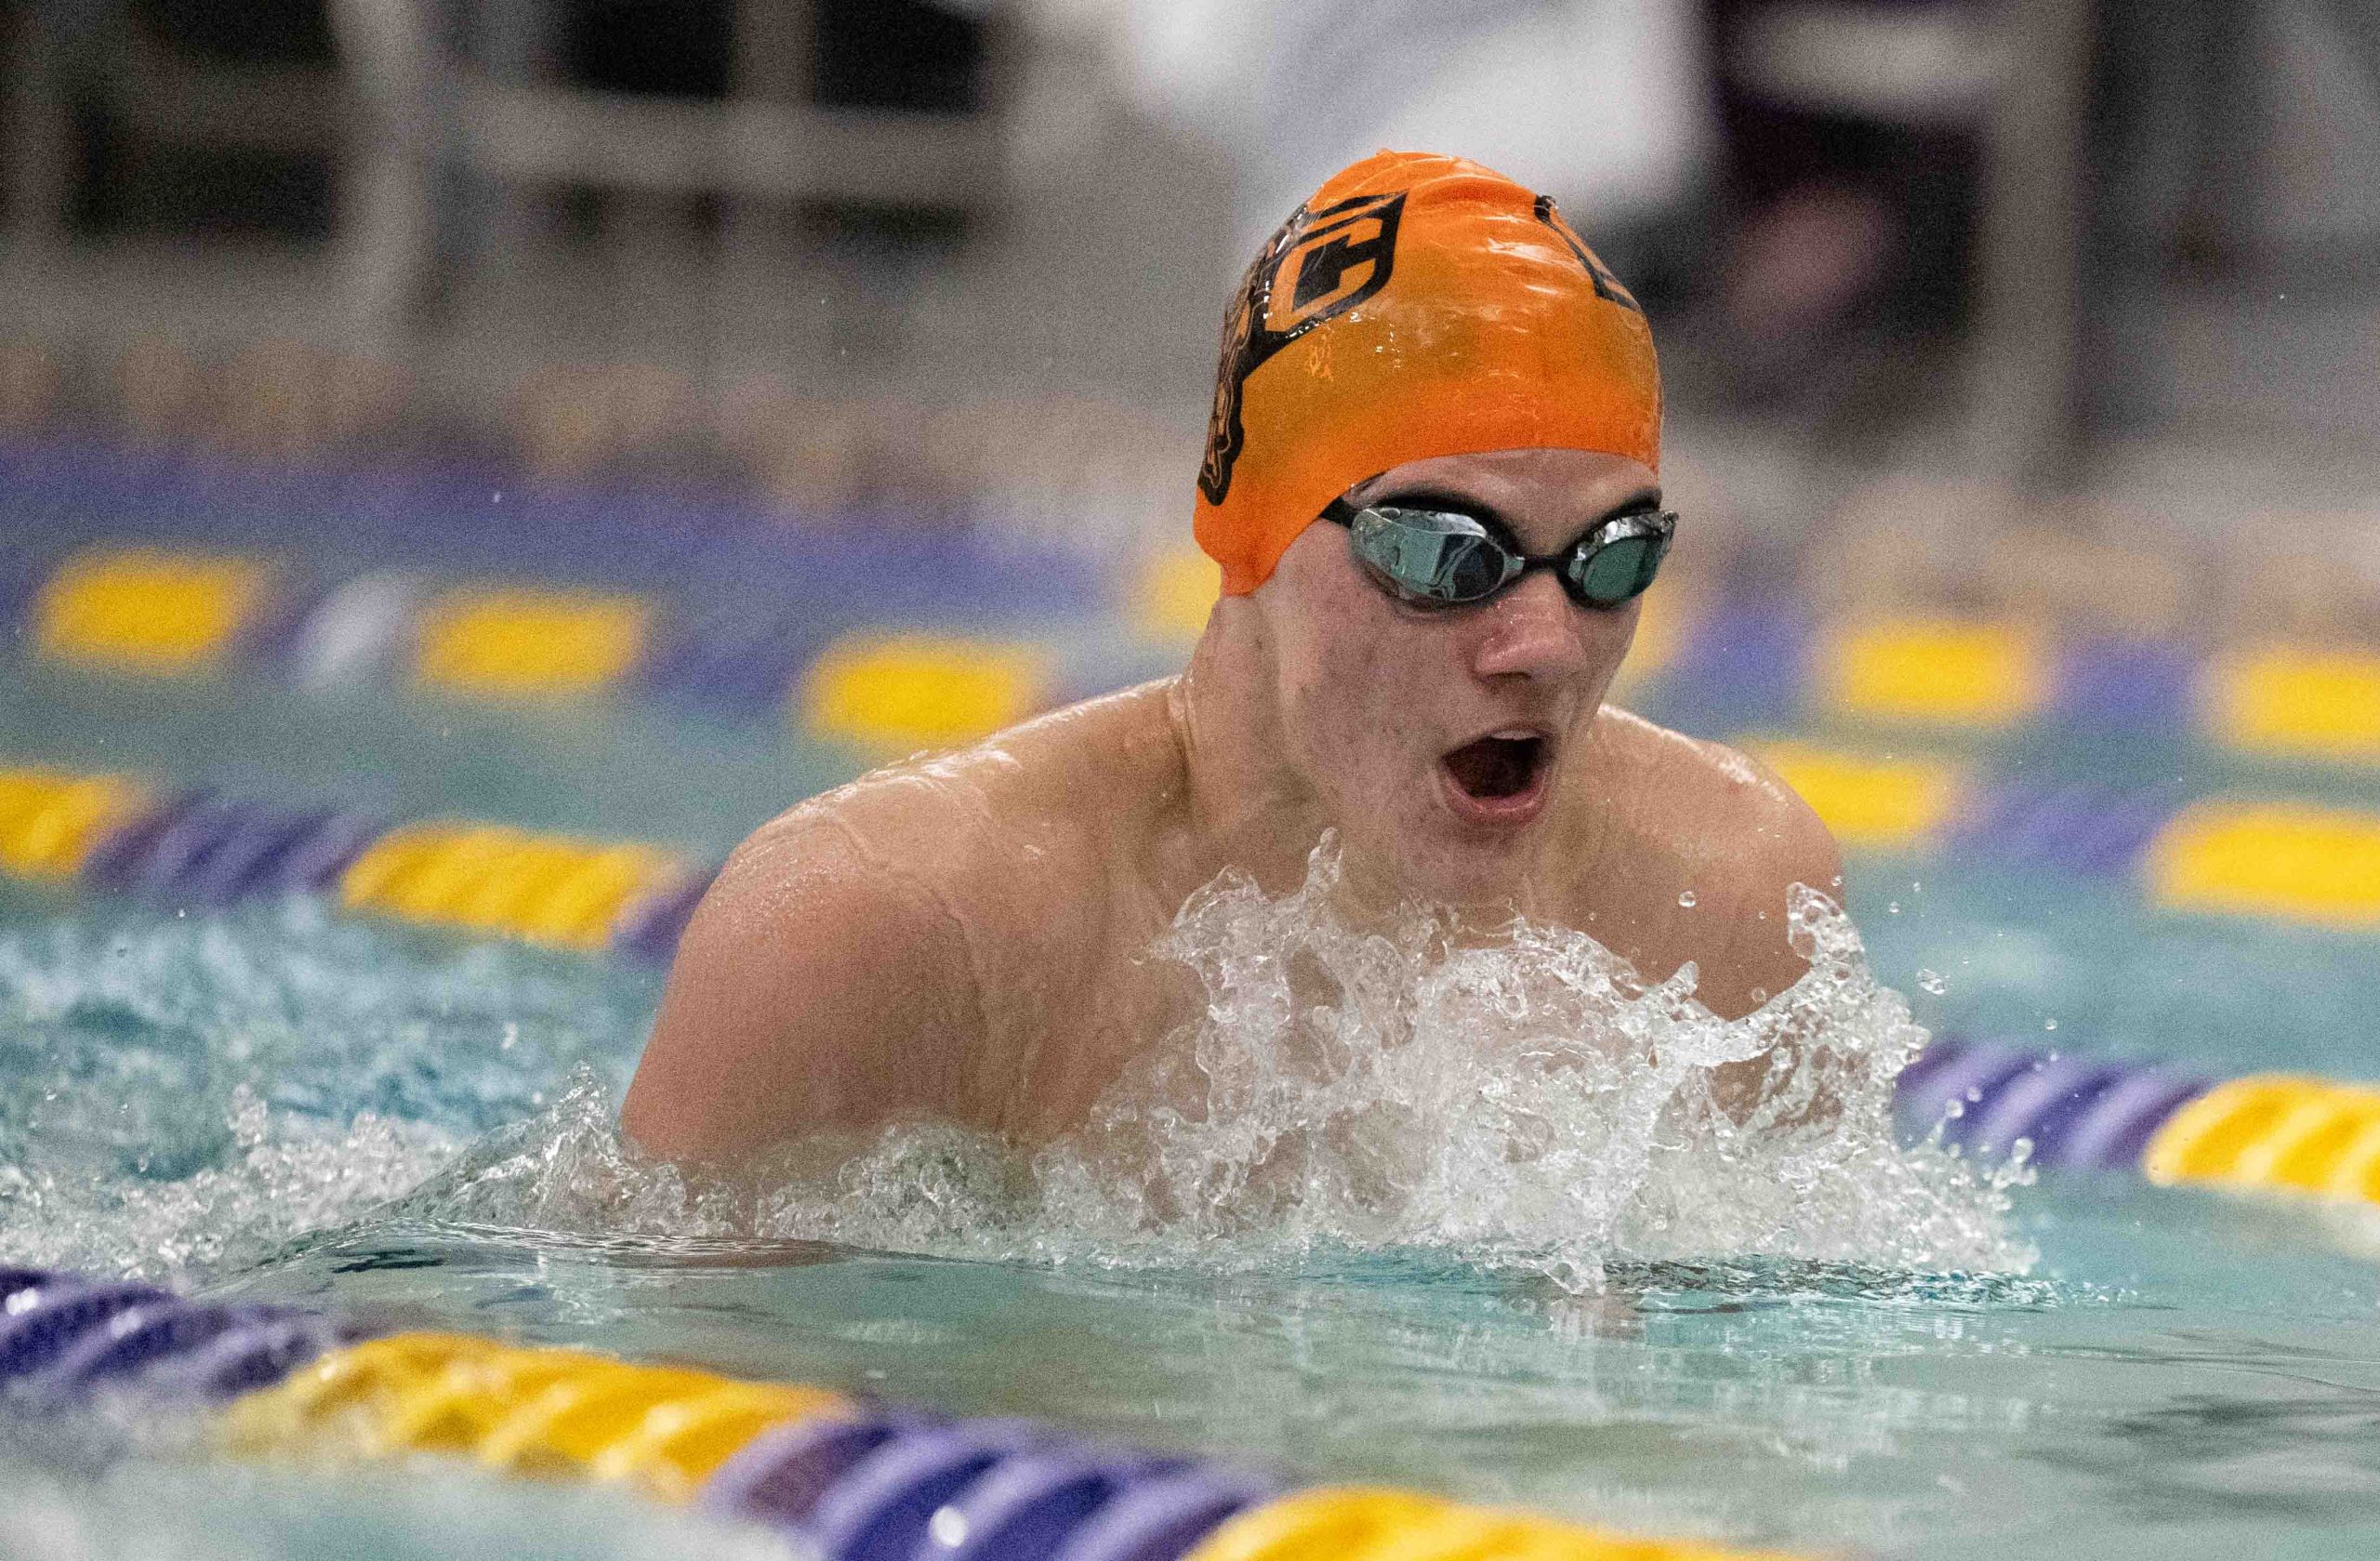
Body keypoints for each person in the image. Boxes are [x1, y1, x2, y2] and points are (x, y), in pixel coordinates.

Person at [622, 151, 1842, 1163]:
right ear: (1250, 527)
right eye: (1442, 552)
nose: (1547, 645)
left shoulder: (1723, 903)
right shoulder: (892, 934)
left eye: (1612, 558)